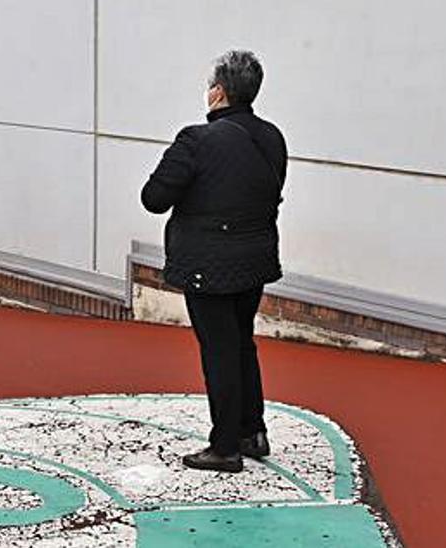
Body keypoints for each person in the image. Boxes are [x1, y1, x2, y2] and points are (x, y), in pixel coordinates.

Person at [141, 51, 287, 474]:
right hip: (255, 259)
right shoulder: (272, 136)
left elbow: (154, 198)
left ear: (218, 92)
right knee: (243, 343)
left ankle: (224, 447)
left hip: (209, 264)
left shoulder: (196, 140)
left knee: (219, 352)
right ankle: (252, 432)